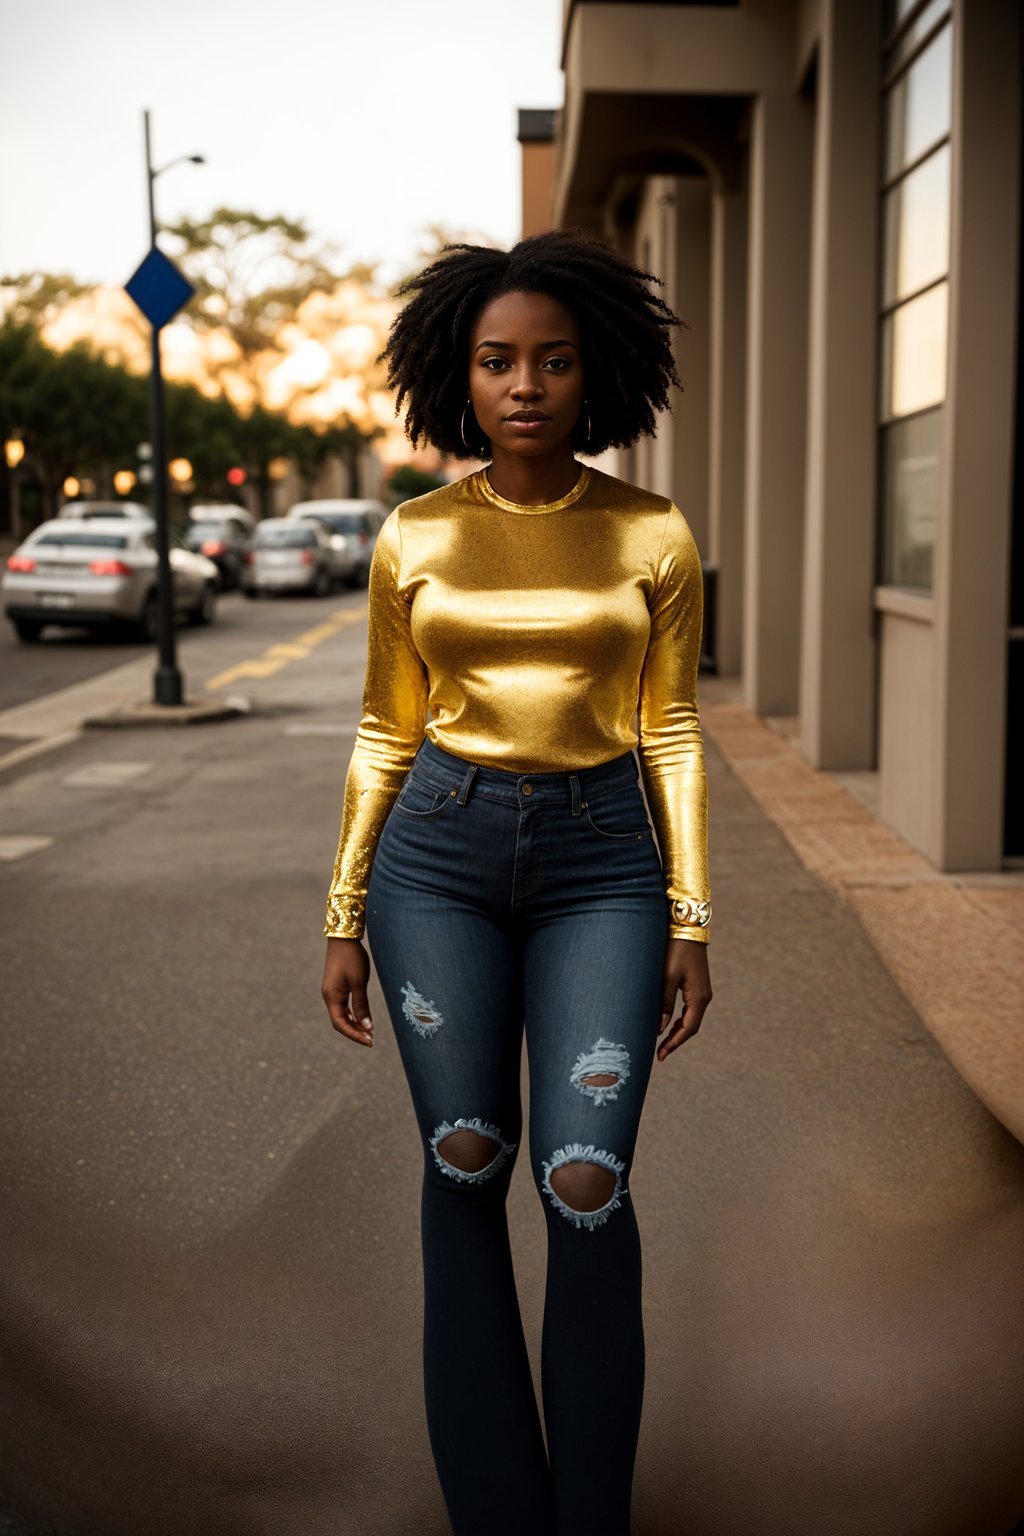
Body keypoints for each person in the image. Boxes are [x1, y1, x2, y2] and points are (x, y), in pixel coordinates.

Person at [320, 228, 713, 1536]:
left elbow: (671, 732)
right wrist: (341, 917)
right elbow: (385, 730)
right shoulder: (413, 539)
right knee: (470, 1157)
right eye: (498, 361)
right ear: (459, 376)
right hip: (435, 859)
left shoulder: (651, 534)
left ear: (594, 369)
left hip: (607, 861)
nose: (525, 384)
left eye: (552, 359)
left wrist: (691, 914)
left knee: (584, 1176)